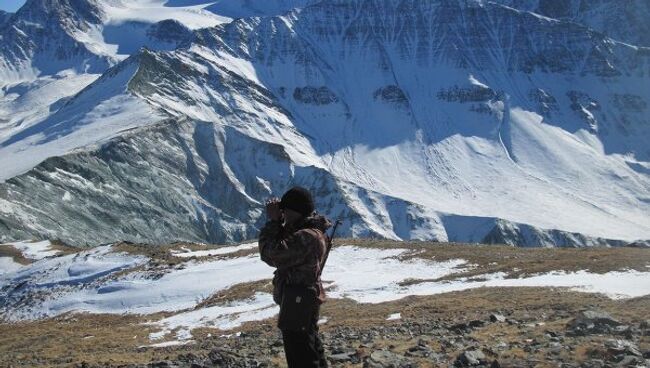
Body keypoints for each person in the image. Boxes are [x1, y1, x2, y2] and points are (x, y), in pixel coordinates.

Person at [258, 186, 332, 368]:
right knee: (310, 347)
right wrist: (281, 221)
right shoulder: (307, 231)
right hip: (301, 298)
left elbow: (270, 253)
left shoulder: (306, 236)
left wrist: (274, 222)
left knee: (300, 354)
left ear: (296, 211)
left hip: (298, 300)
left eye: (286, 210)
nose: (283, 213)